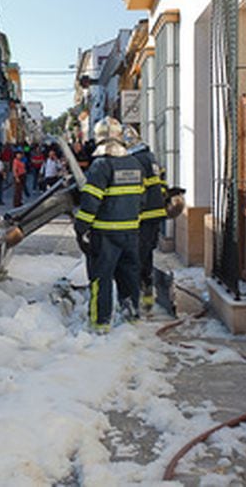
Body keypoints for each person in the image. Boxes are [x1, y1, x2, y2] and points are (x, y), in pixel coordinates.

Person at [74, 117, 144, 334]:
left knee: (101, 277)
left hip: (105, 235)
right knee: (130, 275)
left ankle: (100, 323)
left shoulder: (101, 165)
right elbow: (141, 200)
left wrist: (81, 226)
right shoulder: (135, 164)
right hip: (131, 232)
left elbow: (91, 201)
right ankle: (131, 317)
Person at [122, 125, 168, 313]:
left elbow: (136, 191)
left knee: (136, 258)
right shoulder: (151, 158)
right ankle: (148, 298)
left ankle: (136, 300)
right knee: (147, 255)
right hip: (156, 215)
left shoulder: (134, 161)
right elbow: (162, 185)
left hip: (142, 216)